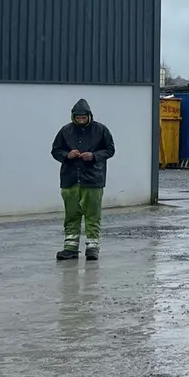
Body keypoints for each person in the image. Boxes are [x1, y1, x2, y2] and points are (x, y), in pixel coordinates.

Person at [51, 98, 116, 261]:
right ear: (73, 117)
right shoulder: (65, 131)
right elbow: (55, 150)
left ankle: (92, 247)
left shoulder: (101, 130)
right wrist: (67, 155)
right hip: (70, 180)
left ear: (89, 116)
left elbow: (110, 150)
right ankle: (70, 247)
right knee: (71, 214)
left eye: (83, 117)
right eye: (78, 118)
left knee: (92, 214)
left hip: (93, 180)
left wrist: (94, 156)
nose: (81, 120)